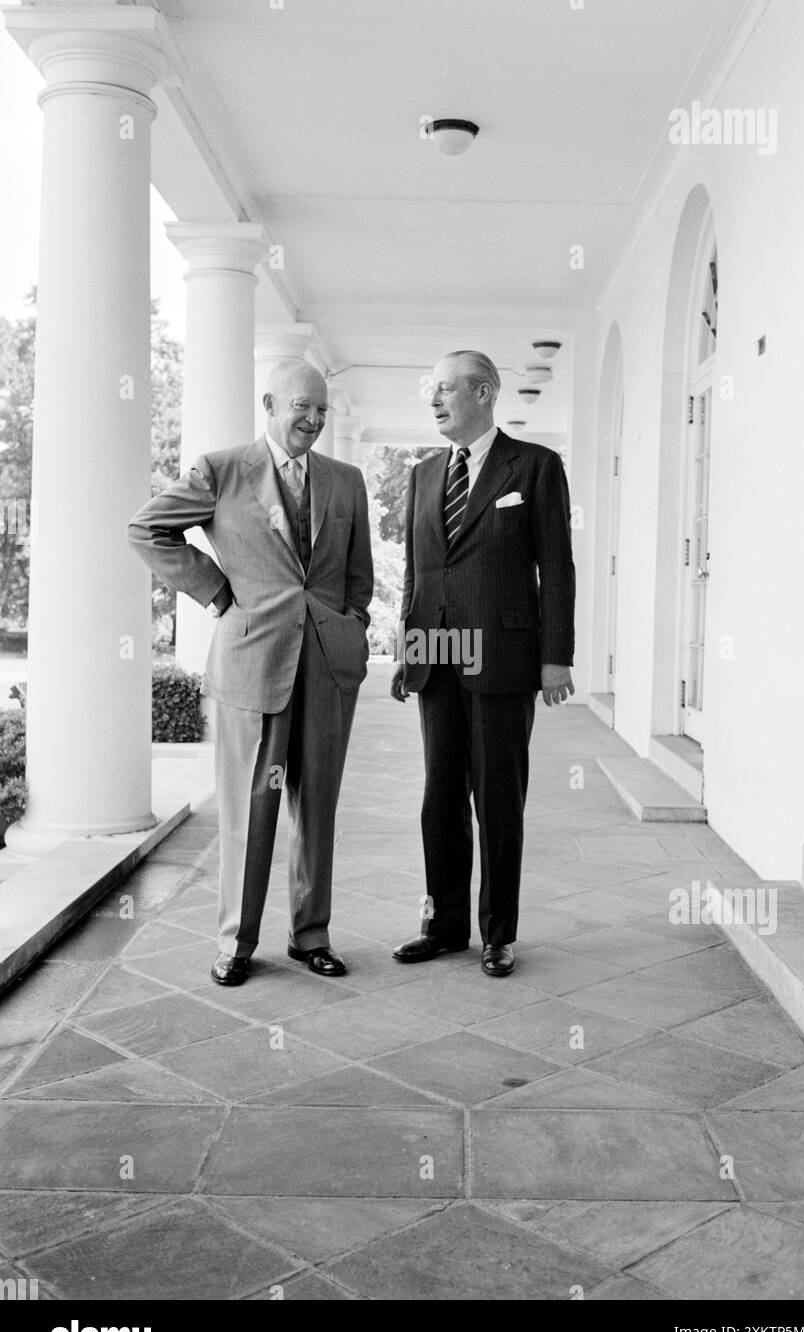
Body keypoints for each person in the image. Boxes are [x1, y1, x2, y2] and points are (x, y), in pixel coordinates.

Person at [128, 360, 373, 986]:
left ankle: (310, 936)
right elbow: (147, 529)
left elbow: (358, 574)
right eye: (302, 406)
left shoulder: (346, 481)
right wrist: (216, 593)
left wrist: (352, 627)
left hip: (327, 671)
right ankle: (236, 943)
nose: (314, 420)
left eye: (321, 410)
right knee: (250, 809)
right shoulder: (220, 470)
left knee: (317, 808)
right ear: (269, 402)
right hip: (252, 668)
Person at [391, 350, 575, 977]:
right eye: (432, 390)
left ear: (486, 394)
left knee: (498, 801)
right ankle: (443, 927)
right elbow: (418, 574)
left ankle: (498, 934)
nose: (435, 401)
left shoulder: (537, 466)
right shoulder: (422, 475)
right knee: (439, 798)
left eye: (446, 390)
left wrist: (556, 659)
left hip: (502, 659)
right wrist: (407, 650)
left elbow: (558, 568)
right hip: (438, 658)